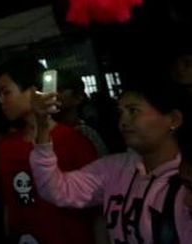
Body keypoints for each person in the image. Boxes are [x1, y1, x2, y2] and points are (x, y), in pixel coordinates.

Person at [30, 77, 192, 243]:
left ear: (174, 119)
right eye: (120, 112)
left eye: (133, 111)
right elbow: (56, 189)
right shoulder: (114, 168)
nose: (123, 122)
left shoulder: (186, 180)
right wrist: (42, 127)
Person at [0, 57, 98, 244]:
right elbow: (9, 205)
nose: (0, 100)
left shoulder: (74, 142)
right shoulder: (5, 147)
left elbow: (96, 210)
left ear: (33, 92)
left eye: (6, 92)